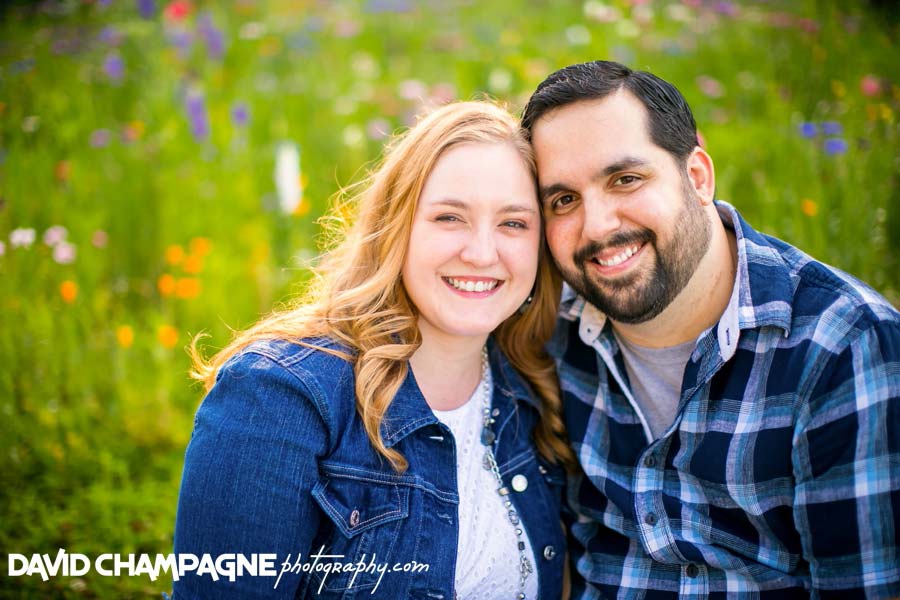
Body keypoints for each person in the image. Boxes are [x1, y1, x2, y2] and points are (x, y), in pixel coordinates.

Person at [521, 60, 900, 598]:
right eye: (564, 200)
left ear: (696, 178)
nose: (597, 226)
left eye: (625, 179)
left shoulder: (843, 345)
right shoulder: (545, 333)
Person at [172, 100, 574, 599]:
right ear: (396, 228)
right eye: (449, 217)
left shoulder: (534, 397)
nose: (481, 252)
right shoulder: (280, 396)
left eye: (514, 223)